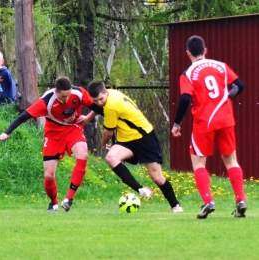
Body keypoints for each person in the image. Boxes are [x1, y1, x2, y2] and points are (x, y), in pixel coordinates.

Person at [0, 76, 102, 212]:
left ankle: (69, 199)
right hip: (53, 133)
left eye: (68, 95)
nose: (67, 99)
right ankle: (53, 202)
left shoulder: (78, 93)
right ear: (56, 91)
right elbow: (23, 116)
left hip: (73, 128)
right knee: (48, 175)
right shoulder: (46, 102)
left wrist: (94, 118)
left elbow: (98, 107)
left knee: (83, 155)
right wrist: (7, 132)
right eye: (63, 96)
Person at [171, 35, 246, 219]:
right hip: (225, 119)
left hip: (204, 122)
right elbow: (239, 85)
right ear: (206, 50)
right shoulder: (220, 66)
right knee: (231, 161)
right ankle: (241, 201)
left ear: (188, 53)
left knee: (198, 163)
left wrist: (177, 123)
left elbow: (185, 98)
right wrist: (227, 97)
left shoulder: (187, 74)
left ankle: (208, 201)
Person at [87, 81, 183, 213]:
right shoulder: (111, 95)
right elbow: (99, 109)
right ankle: (141, 190)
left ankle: (176, 206)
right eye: (95, 101)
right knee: (111, 158)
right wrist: (87, 118)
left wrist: (103, 144)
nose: (99, 103)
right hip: (127, 140)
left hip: (144, 138)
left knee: (157, 177)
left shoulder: (111, 105)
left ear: (106, 92)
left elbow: (108, 132)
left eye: (101, 99)